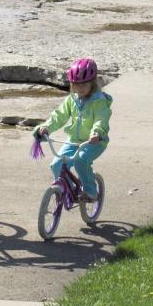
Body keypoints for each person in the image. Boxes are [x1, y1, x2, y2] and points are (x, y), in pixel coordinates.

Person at [33, 58, 112, 200]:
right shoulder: (72, 99)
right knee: (56, 164)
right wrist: (46, 127)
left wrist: (97, 132)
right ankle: (71, 189)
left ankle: (91, 192)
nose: (79, 88)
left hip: (94, 141)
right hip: (74, 141)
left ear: (93, 83)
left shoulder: (99, 102)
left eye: (84, 84)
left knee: (81, 161)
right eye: (75, 84)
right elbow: (59, 116)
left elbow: (101, 119)